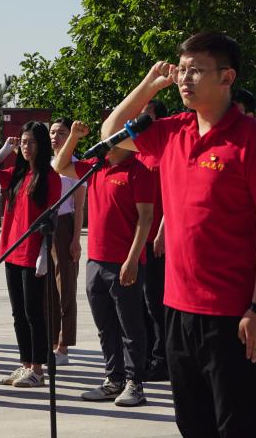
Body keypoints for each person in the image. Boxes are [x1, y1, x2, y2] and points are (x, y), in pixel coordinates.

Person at [102, 31, 256, 437]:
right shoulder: (172, 131)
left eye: (196, 71)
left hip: (233, 314)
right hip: (178, 308)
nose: (185, 79)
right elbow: (109, 132)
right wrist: (149, 85)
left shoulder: (255, 141)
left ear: (226, 77)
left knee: (236, 426)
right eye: (182, 69)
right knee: (193, 425)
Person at [54, 120, 154, 407]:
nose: (106, 142)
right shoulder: (97, 167)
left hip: (124, 262)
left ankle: (135, 383)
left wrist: (132, 259)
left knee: (130, 326)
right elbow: (60, 166)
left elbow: (146, 218)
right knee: (105, 325)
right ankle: (114, 379)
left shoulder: (139, 172)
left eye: (111, 137)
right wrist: (73, 137)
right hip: (95, 261)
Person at [0, 121, 61, 389]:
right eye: (24, 142)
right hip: (12, 251)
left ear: (42, 145)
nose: (26, 147)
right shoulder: (17, 174)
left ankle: (38, 368)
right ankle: (26, 363)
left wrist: (43, 253)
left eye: (32, 142)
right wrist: (6, 149)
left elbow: (52, 218)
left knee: (33, 312)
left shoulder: (50, 177)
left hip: (32, 253)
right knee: (18, 313)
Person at [47, 117, 87, 367]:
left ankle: (63, 344)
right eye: (52, 132)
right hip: (45, 227)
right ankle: (51, 340)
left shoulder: (74, 165)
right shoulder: (46, 163)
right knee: (48, 289)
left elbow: (79, 207)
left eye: (61, 132)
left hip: (64, 225)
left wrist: (75, 239)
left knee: (65, 288)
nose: (55, 137)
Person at [138, 99, 169, 381]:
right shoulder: (139, 152)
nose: (140, 118)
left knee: (155, 302)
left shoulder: (164, 151)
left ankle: (162, 360)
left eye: (146, 114)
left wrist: (161, 232)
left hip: (157, 239)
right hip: (139, 238)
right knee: (141, 302)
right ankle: (146, 355)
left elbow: (172, 198)